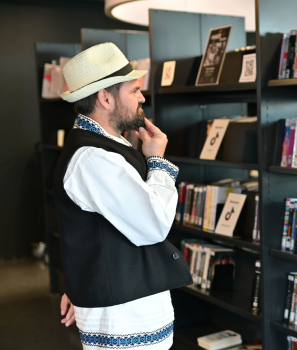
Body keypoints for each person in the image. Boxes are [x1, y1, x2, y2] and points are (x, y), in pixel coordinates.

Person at [53, 42, 192, 349]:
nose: (142, 98)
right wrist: (157, 162)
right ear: (105, 97)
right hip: (123, 317)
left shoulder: (104, 148)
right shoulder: (94, 158)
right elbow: (153, 225)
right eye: (134, 90)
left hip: (128, 308)